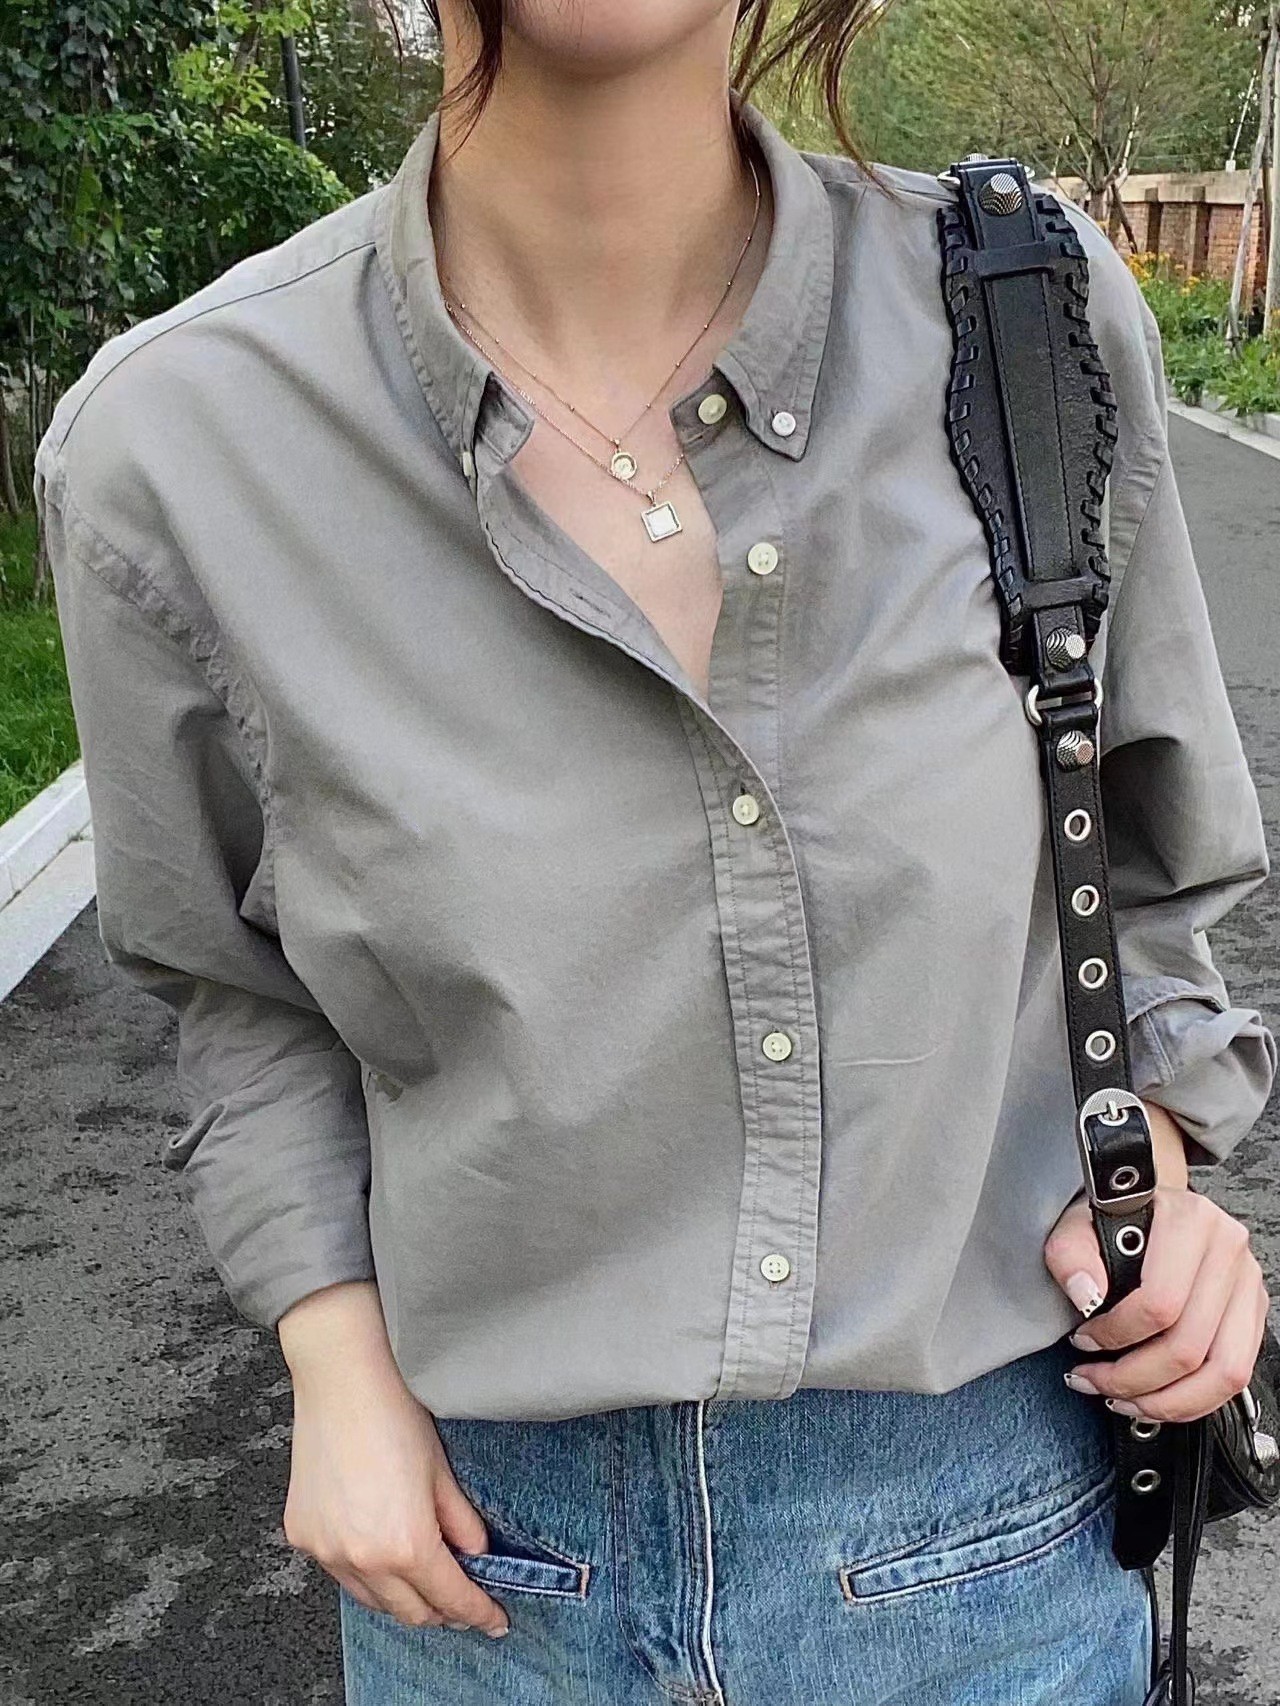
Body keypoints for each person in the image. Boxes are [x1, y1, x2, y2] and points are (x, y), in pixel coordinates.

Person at [36, 2, 1276, 1702]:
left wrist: (1161, 1171)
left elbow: (1143, 874)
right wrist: (330, 1348)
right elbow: (231, 990)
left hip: (991, 1550)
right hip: (484, 1572)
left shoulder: (1019, 318)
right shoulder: (181, 446)